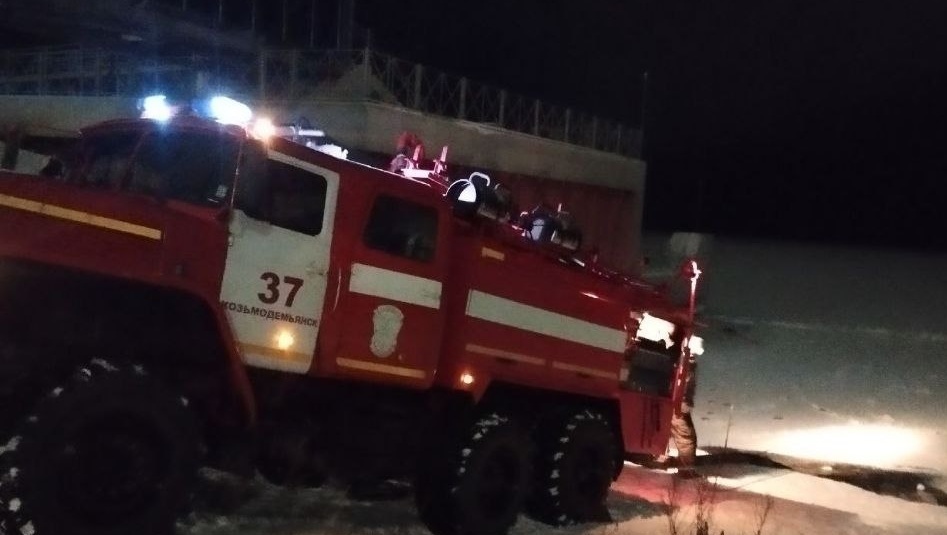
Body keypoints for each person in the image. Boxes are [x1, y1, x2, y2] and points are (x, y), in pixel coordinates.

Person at [669, 357, 698, 478]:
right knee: (686, 439)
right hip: (679, 407)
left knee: (687, 438)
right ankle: (685, 471)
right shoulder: (684, 366)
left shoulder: (686, 365)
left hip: (680, 406)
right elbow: (681, 383)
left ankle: (685, 467)